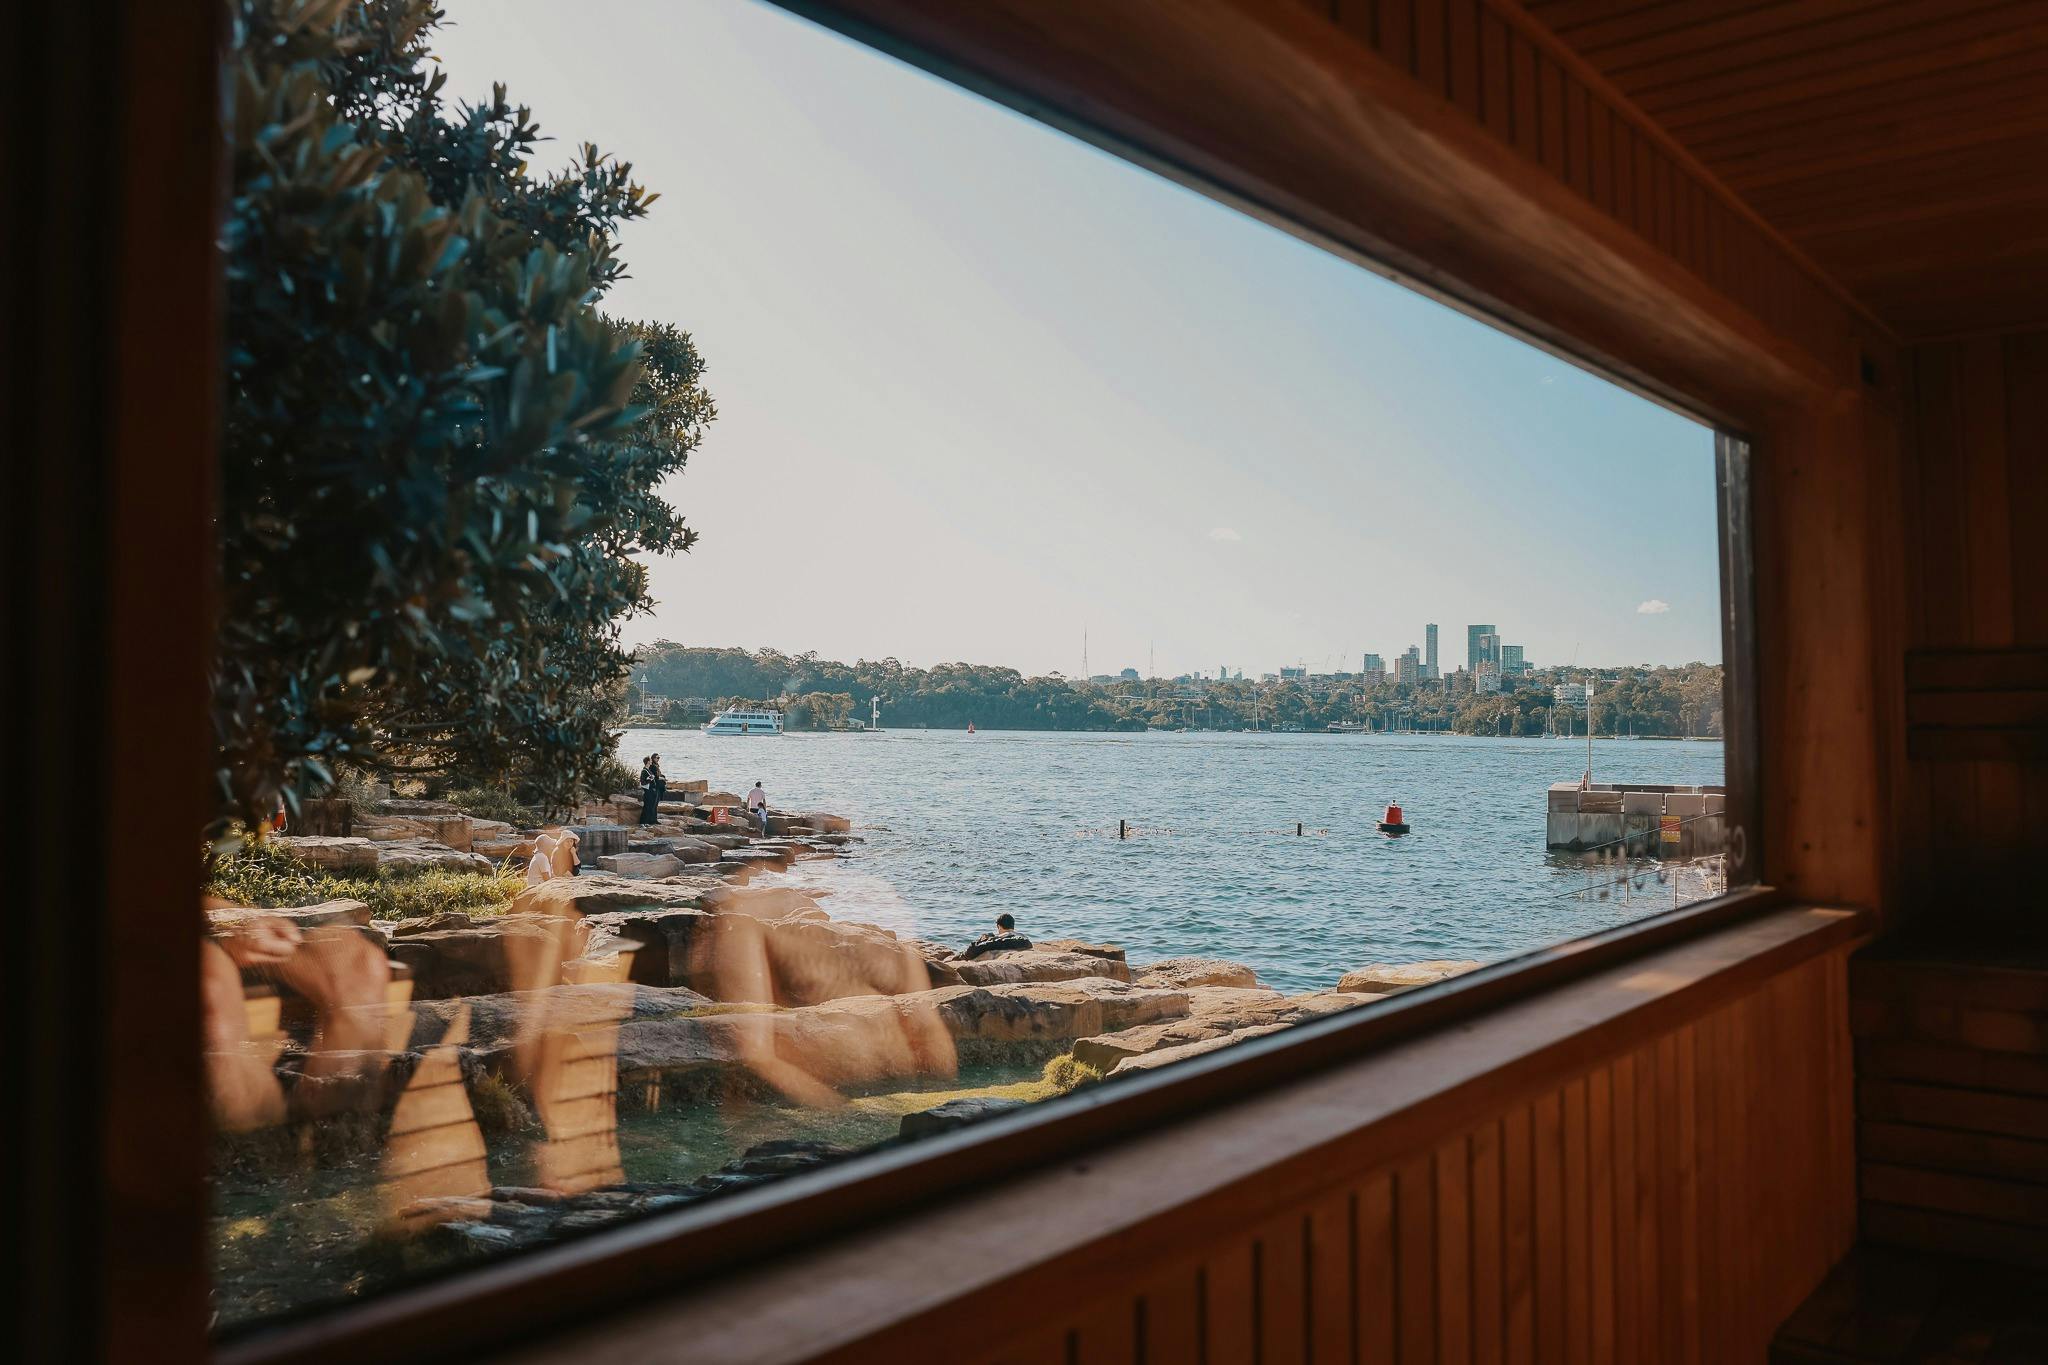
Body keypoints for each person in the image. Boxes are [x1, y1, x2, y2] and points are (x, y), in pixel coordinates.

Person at [962, 912, 1031, 960]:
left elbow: (974, 949)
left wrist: (982, 940)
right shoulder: (1023, 936)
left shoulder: (1001, 937)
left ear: (999, 926)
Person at [640, 754, 666, 825]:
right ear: (649, 761)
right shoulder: (646, 770)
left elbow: (655, 776)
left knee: (653, 805)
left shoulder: (650, 768)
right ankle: (645, 822)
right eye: (657, 758)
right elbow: (643, 781)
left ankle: (652, 820)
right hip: (649, 790)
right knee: (648, 806)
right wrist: (651, 779)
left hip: (653, 789)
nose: (658, 759)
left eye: (659, 757)